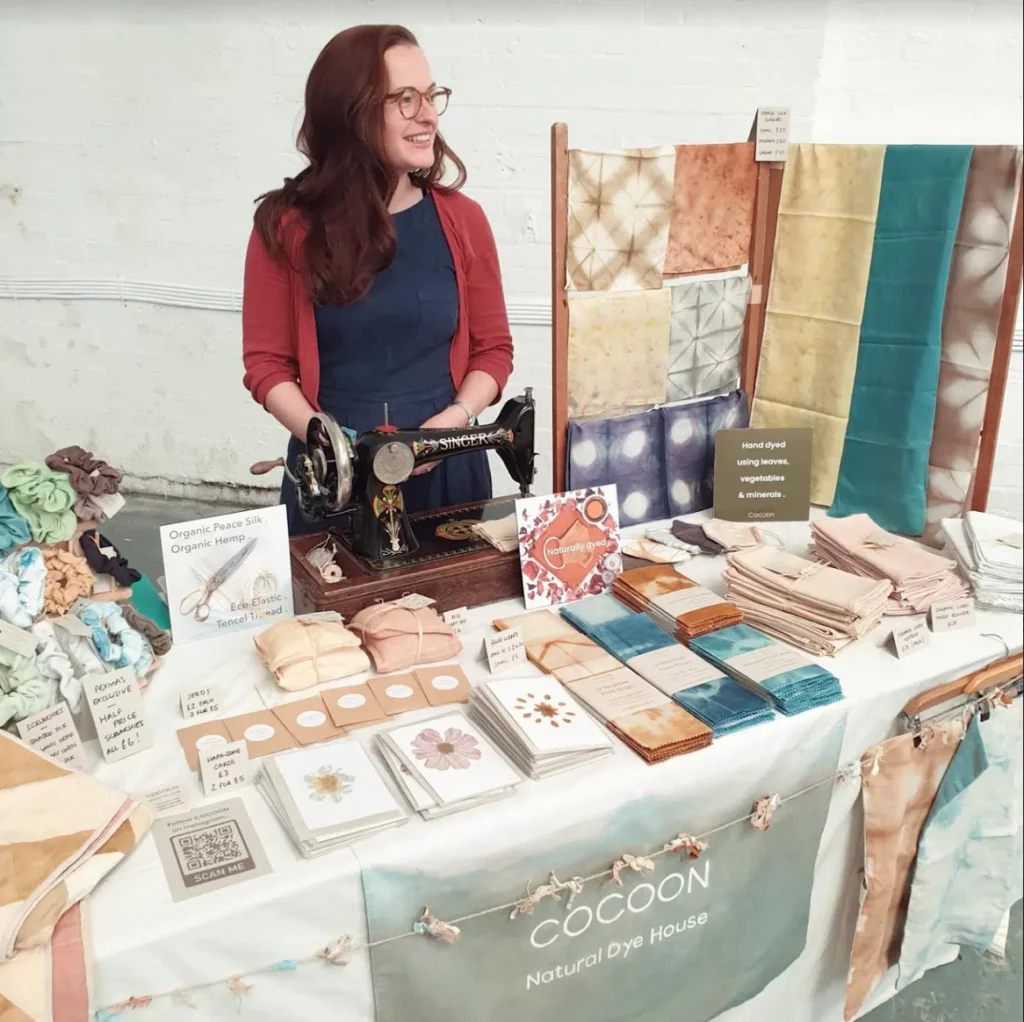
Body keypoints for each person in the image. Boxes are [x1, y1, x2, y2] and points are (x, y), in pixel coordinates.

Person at [242, 24, 514, 534]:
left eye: (432, 96)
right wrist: (331, 443)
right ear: (354, 114)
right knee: (330, 615)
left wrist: (452, 423)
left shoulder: (464, 221)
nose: (428, 115)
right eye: (404, 100)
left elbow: (493, 351)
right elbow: (266, 364)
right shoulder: (287, 228)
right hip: (334, 475)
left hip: (446, 475)